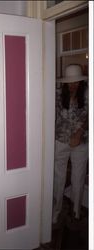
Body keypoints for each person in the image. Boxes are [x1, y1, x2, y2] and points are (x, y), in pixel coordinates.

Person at [53, 64, 88, 224]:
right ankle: (56, 210)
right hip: (60, 140)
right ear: (65, 82)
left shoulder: (88, 94)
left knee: (78, 176)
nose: (74, 85)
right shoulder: (57, 95)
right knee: (59, 177)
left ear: (81, 81)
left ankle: (76, 211)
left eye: (77, 82)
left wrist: (80, 131)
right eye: (70, 82)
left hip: (81, 141)